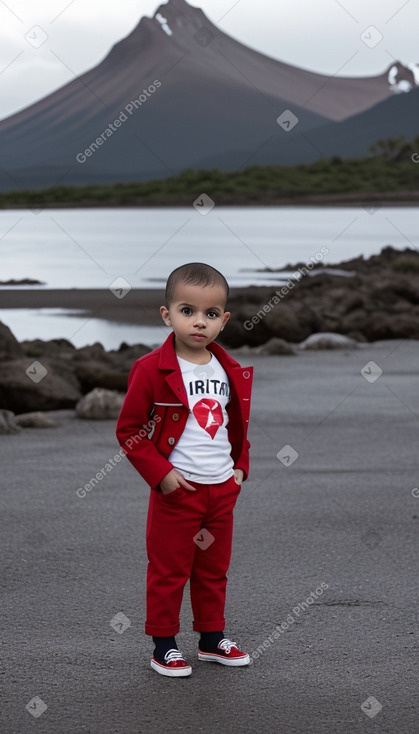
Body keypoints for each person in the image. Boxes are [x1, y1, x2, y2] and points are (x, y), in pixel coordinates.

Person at [116, 262, 253, 677]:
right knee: (169, 569)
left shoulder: (229, 370)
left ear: (224, 320)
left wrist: (240, 469)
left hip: (221, 490)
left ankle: (211, 639)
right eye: (187, 311)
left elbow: (236, 426)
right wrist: (162, 476)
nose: (199, 322)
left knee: (213, 569)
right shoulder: (151, 369)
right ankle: (164, 645)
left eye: (211, 314)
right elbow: (129, 431)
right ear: (167, 314)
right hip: (178, 492)